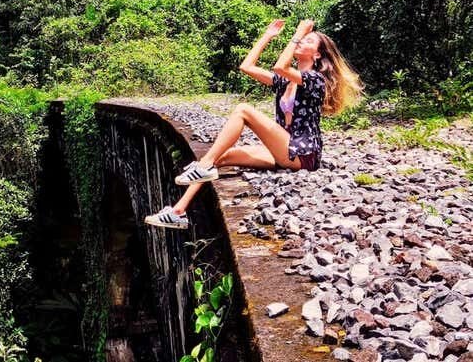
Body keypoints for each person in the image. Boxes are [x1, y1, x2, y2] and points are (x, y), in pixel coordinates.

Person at [144, 19, 363, 229]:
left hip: (303, 154)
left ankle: (202, 166)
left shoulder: (315, 80)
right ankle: (179, 211)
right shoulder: (286, 81)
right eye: (302, 39)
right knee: (224, 156)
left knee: (243, 110)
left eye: (308, 41)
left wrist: (298, 33)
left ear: (316, 54)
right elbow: (247, 66)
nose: (301, 42)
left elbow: (280, 66)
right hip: (285, 151)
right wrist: (267, 35)